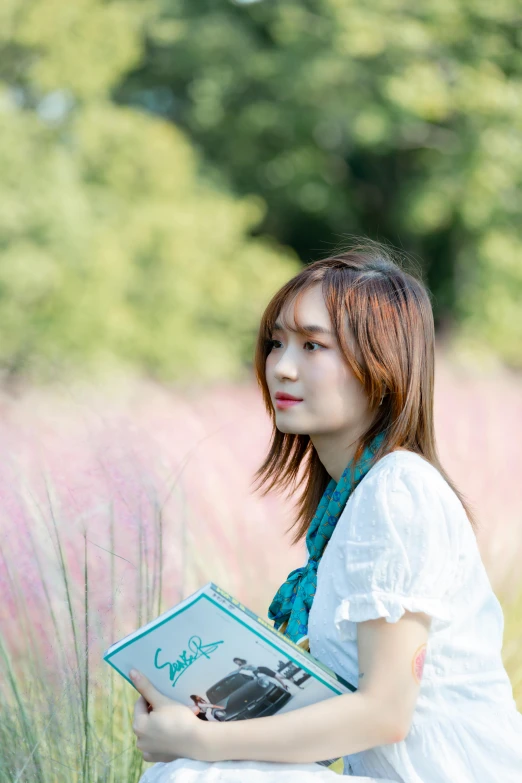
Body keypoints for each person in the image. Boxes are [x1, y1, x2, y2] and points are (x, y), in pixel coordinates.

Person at [130, 240, 522, 782]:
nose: (282, 369)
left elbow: (385, 714)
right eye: (275, 343)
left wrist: (203, 739)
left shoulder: (397, 490)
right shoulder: (352, 501)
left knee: (194, 773)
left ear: (382, 364)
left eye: (313, 347)